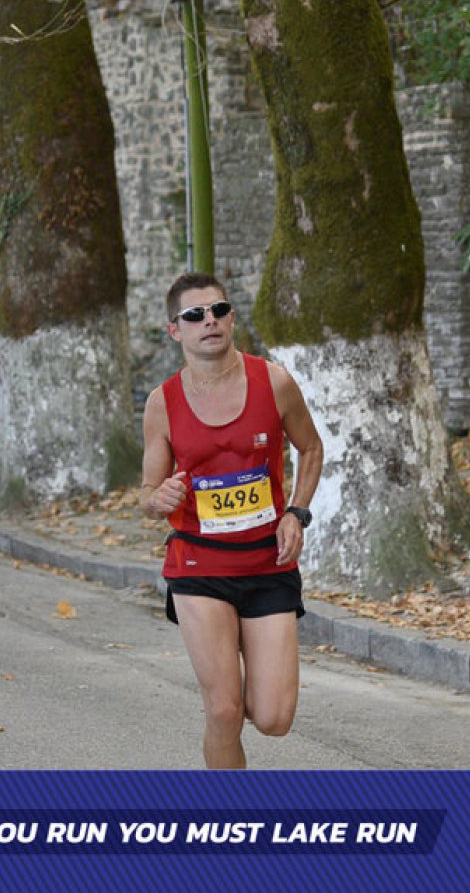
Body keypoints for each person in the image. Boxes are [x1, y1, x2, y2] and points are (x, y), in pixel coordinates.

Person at [139, 272, 323, 769]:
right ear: (175, 330)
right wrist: (159, 498)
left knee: (273, 718)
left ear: (232, 317)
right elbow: (146, 494)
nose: (210, 321)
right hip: (199, 566)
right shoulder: (162, 403)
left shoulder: (274, 382)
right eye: (195, 315)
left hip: (267, 563)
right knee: (223, 710)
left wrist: (297, 513)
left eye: (219, 310)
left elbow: (311, 447)